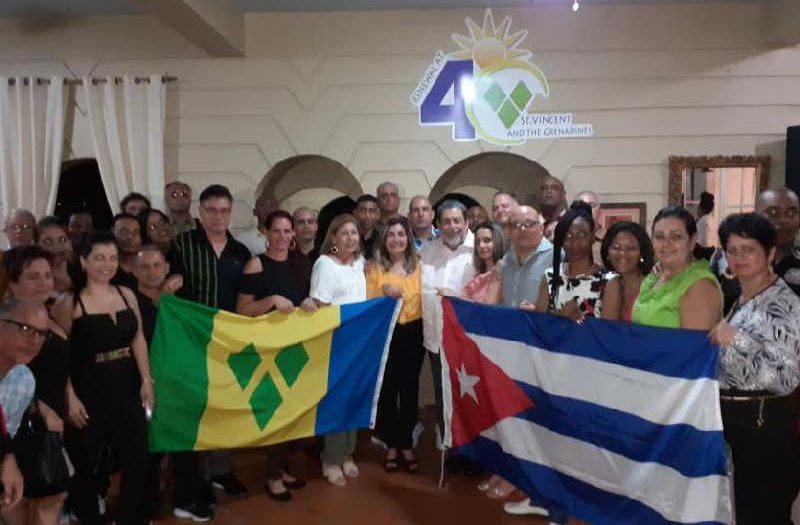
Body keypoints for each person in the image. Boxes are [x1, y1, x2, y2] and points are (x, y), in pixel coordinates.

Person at [55, 232, 153, 525]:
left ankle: (131, 518)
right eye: (99, 258)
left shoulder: (127, 294)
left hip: (128, 384)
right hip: (89, 388)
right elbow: (58, 355)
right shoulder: (69, 302)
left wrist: (147, 380)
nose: (107, 264)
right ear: (83, 261)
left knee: (138, 458)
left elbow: (137, 339)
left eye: (112, 258)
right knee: (87, 462)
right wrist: (69, 396)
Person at [709, 213, 800, 525]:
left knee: (764, 515)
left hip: (766, 425)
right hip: (739, 423)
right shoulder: (742, 298)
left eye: (748, 249)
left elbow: (787, 378)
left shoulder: (784, 304)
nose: (738, 257)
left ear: (770, 253)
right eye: (732, 250)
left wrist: (737, 339)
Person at [173, 184, 250, 514]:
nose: (218, 217)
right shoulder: (180, 246)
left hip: (229, 345)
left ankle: (220, 470)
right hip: (190, 343)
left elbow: (247, 299)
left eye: (224, 210)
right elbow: (169, 290)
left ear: (231, 212)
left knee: (226, 408)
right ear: (200, 212)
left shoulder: (241, 253)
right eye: (211, 210)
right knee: (194, 412)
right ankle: (195, 481)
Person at [236, 210, 316, 501]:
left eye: (287, 231)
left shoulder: (301, 263)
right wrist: (269, 301)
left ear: (293, 234)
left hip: (295, 347)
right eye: (277, 231)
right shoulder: (256, 264)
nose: (282, 237)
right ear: (266, 233)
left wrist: (309, 302)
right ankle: (271, 476)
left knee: (291, 412)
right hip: (267, 350)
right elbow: (242, 310)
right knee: (274, 411)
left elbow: (307, 299)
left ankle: (280, 468)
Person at [4, 247, 70, 525]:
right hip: (20, 424)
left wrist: (71, 397)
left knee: (50, 497)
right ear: (13, 283)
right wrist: (40, 408)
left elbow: (61, 368)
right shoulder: (9, 324)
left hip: (52, 422)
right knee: (17, 503)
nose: (44, 282)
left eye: (47, 275)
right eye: (34, 276)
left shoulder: (51, 317)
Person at [309, 214, 365, 486]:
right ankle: (330, 457)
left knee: (354, 400)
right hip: (335, 343)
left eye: (354, 233)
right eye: (343, 233)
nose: (350, 238)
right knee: (336, 402)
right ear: (332, 237)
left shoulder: (360, 264)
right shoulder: (324, 264)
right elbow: (320, 306)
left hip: (360, 343)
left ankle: (347, 454)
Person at [367, 216, 424, 474]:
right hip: (386, 333)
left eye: (401, 234)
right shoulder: (374, 268)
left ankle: (406, 443)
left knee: (410, 389)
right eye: (391, 235)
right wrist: (383, 291)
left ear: (408, 239)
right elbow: (368, 302)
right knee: (388, 390)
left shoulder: (420, 265)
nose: (396, 239)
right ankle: (391, 444)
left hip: (414, 332)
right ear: (384, 239)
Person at [420, 200, 475, 445]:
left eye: (457, 221)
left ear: (466, 223)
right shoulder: (427, 251)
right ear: (438, 224)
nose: (452, 227)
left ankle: (469, 444)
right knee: (443, 391)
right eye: (446, 221)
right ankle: (447, 440)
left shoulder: (481, 250)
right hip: (436, 337)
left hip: (469, 340)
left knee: (469, 394)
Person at [130, 245, 178, 522]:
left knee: (165, 446)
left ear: (167, 268)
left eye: (157, 265)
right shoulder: (128, 302)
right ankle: (142, 508)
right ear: (135, 270)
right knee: (143, 449)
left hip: (173, 385)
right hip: (141, 385)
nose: (151, 272)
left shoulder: (178, 302)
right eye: (144, 266)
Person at [633, 205, 721, 330]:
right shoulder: (653, 278)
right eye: (659, 236)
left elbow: (694, 346)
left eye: (676, 237)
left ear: (692, 241)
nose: (666, 243)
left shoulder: (699, 285)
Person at [0, 298, 50, 509]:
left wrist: (7, 458)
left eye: (42, 334)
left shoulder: (24, 379)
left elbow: (6, 434)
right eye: (26, 328)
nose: (35, 340)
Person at [534, 202, 621, 321]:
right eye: (568, 236)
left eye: (582, 235)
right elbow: (539, 326)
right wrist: (560, 316)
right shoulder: (550, 276)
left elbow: (608, 333)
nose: (575, 242)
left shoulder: (608, 281)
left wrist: (579, 321)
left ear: (592, 238)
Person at [600, 221, 655, 321]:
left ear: (642, 253)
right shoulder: (609, 284)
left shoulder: (653, 285)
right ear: (607, 253)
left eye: (631, 248)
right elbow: (606, 330)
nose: (622, 253)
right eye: (616, 247)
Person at [500, 205, 553, 308]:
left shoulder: (556, 256)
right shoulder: (506, 259)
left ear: (541, 228)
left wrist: (539, 311)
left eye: (529, 224)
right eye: (516, 225)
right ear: (509, 231)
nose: (522, 229)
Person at [463, 221, 504, 304]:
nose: (481, 245)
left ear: (497, 242)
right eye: (477, 241)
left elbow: (490, 306)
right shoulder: (476, 273)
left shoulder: (502, 271)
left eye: (487, 240)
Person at [35, 217, 73, 293]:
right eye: (48, 241)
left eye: (62, 240)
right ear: (36, 245)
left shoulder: (85, 272)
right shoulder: (34, 279)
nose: (56, 247)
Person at [110, 213, 142, 290]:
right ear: (112, 232)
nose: (130, 236)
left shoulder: (152, 264)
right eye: (124, 231)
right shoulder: (107, 273)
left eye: (136, 231)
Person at [354, 195, 380, 259]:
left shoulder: (382, 238)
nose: (367, 216)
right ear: (355, 213)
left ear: (377, 215)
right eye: (363, 210)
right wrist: (343, 251)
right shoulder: (347, 234)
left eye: (371, 211)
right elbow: (332, 249)